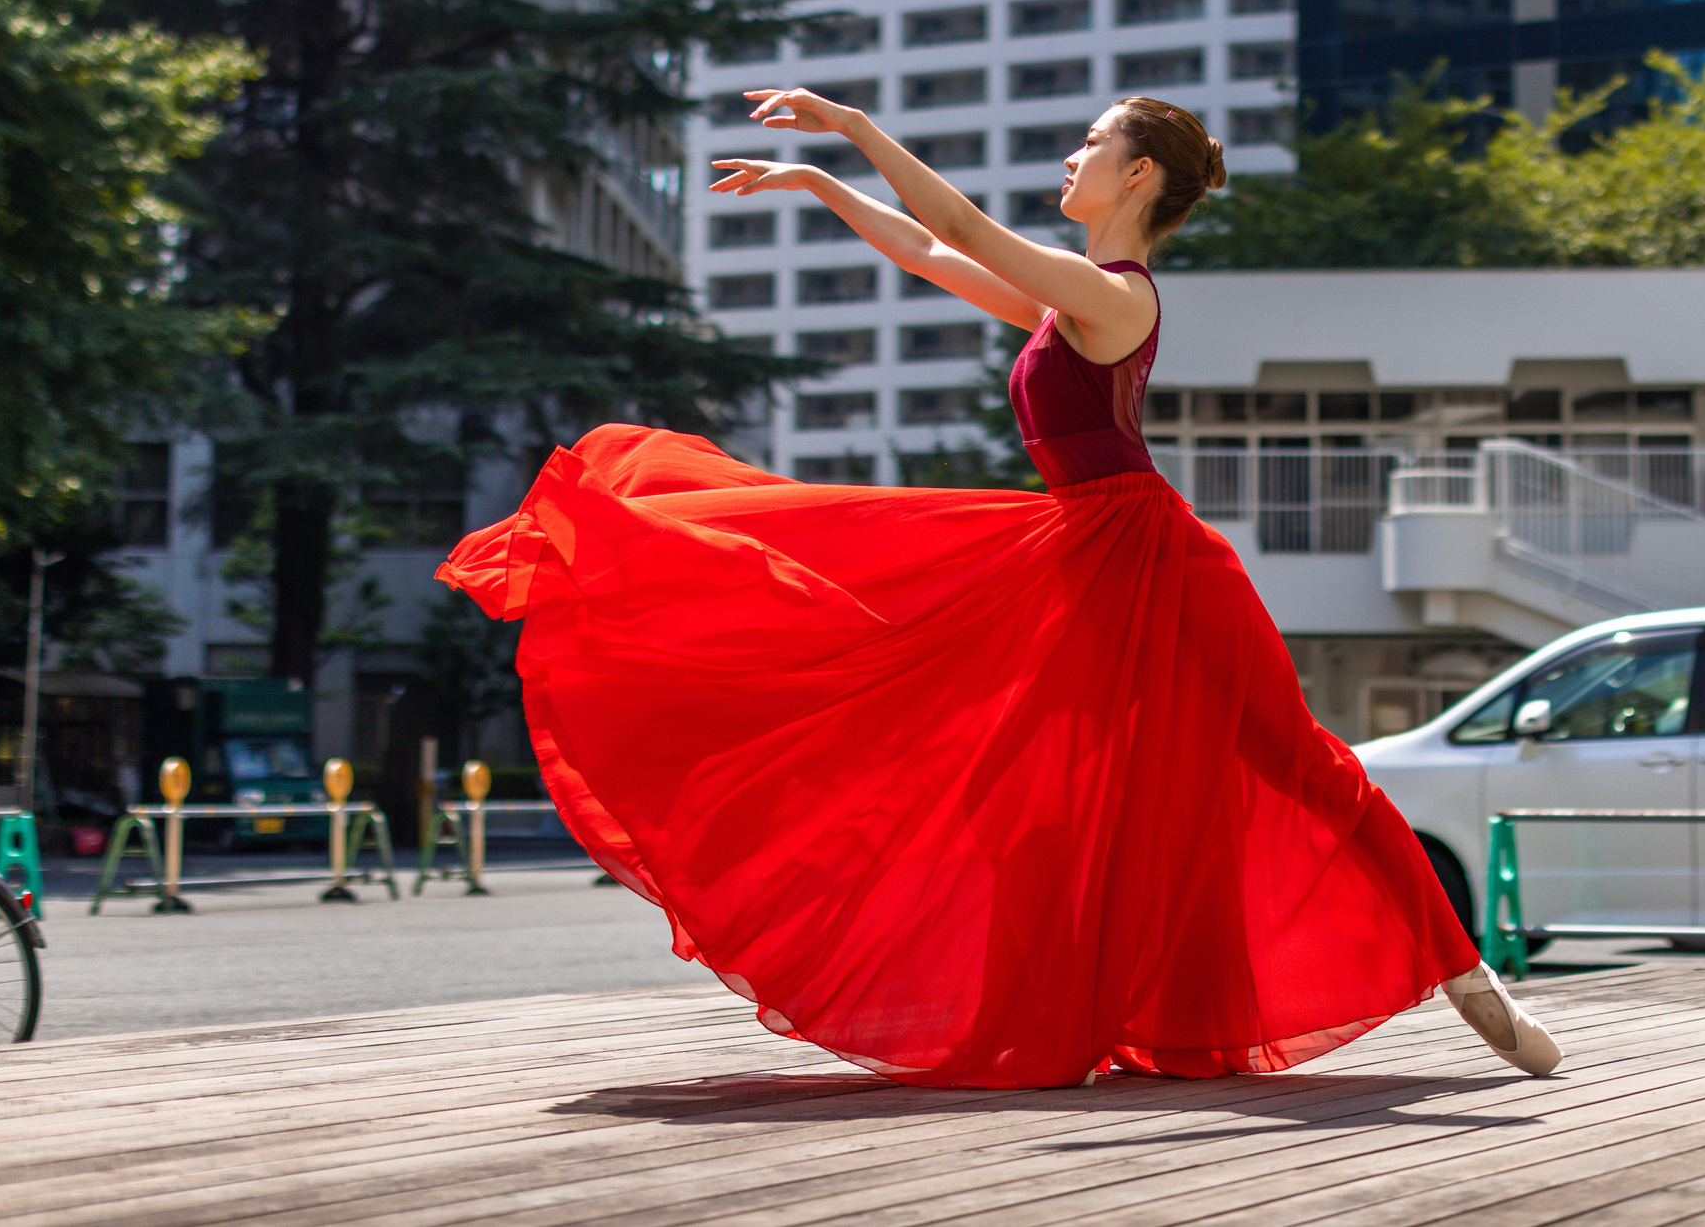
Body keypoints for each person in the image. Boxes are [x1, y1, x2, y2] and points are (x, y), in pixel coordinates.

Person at [437, 88, 1560, 1088]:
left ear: (1136, 178)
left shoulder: (1113, 294)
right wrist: (824, 181)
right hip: (1078, 559)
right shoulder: (1061, 304)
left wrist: (857, 127)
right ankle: (1068, 1015)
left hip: (1157, 569)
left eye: (1088, 146)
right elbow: (935, 255)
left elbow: (965, 228)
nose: (1068, 162)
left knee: (1298, 767)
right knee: (1029, 787)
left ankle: (1468, 979)